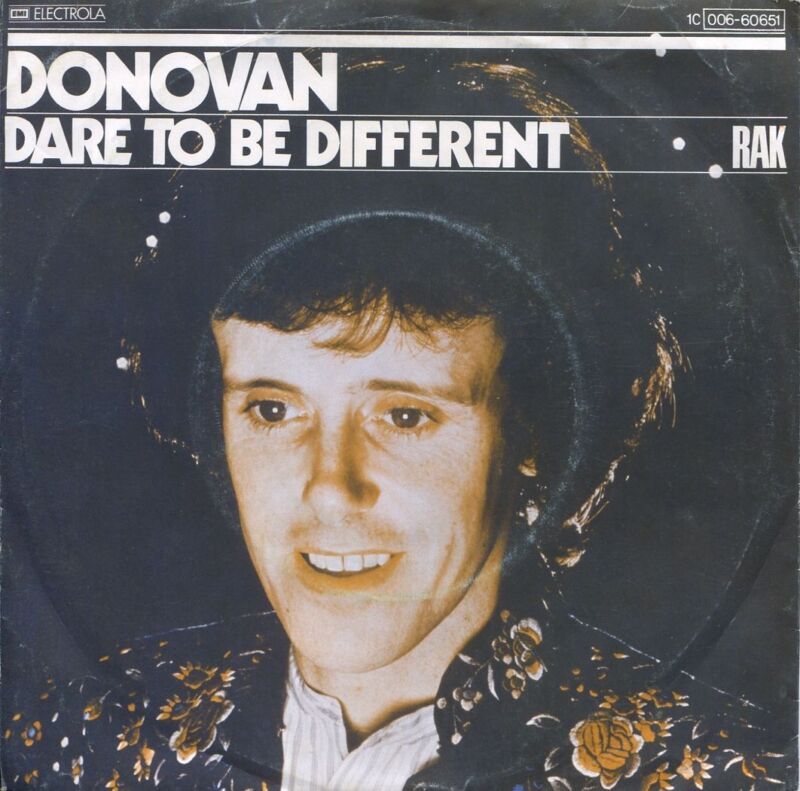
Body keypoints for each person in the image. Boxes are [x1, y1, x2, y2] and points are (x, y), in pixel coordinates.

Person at [3, 212, 790, 790]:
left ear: (532, 437)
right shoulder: (84, 730)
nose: (329, 485)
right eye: (272, 408)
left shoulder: (727, 770)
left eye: (405, 416)